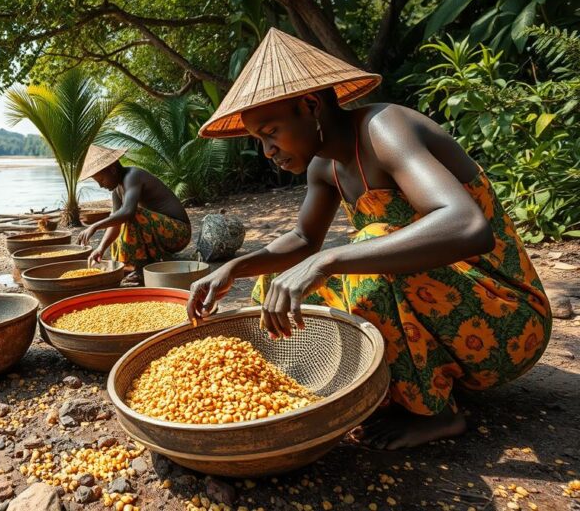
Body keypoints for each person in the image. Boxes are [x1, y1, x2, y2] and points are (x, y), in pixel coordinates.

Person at [186, 28, 551, 450]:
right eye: (259, 140)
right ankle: (352, 379)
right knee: (274, 284)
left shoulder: (385, 128)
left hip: (506, 321)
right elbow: (305, 238)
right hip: (451, 312)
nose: (267, 150)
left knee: (365, 249)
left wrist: (330, 260)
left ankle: (435, 413)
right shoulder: (323, 167)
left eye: (271, 131)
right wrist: (236, 267)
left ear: (310, 105)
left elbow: (467, 226)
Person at [77, 144, 191, 281]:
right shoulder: (117, 192)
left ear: (112, 170)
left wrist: (95, 226)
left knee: (132, 214)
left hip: (179, 233)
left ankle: (140, 268)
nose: (101, 185)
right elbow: (115, 223)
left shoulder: (133, 176)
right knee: (116, 219)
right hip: (159, 234)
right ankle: (130, 266)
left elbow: (128, 212)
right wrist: (101, 248)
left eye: (101, 180)